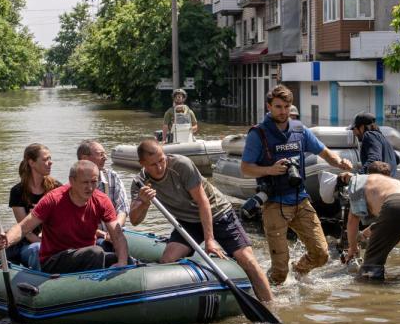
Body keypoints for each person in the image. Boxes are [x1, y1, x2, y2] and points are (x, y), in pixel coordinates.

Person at [129, 138, 274, 303]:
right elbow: (134, 220)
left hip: (218, 212)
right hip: (187, 221)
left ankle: (270, 304)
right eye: (153, 165)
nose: (160, 167)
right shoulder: (140, 183)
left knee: (247, 259)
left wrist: (209, 240)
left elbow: (203, 201)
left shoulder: (181, 165)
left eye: (162, 160)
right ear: (142, 163)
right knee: (167, 260)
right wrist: (143, 203)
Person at [240, 85, 354, 285]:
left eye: (286, 106)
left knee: (321, 254)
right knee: (279, 272)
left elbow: (324, 152)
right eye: (278, 107)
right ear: (268, 106)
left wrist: (339, 162)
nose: (283, 111)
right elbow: (245, 168)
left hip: (301, 200)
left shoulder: (300, 130)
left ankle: (299, 271)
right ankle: (268, 294)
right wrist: (270, 170)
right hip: (274, 202)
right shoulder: (258, 134)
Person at [0, 160, 129, 274]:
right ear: (72, 181)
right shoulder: (53, 199)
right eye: (85, 182)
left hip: (84, 256)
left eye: (94, 182)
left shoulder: (101, 200)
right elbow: (23, 228)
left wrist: (122, 263)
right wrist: (6, 240)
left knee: (124, 259)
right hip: (54, 260)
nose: (90, 187)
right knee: (96, 253)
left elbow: (117, 235)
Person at [331, 161, 400, 281]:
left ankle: (374, 294)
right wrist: (363, 235)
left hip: (396, 206)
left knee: (371, 270)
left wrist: (353, 248)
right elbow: (388, 221)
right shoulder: (391, 183)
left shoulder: (358, 182)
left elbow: (353, 221)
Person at [6, 143, 62, 267]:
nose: (50, 162)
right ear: (32, 162)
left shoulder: (57, 187)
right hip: (30, 244)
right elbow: (26, 231)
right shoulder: (17, 191)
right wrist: (45, 244)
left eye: (50, 159)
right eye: (45, 159)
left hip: (55, 240)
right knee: (37, 249)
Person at [76, 139, 129, 245]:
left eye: (105, 154)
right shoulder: (73, 183)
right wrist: (99, 233)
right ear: (85, 158)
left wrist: (114, 231)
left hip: (115, 231)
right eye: (101, 154)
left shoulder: (112, 177)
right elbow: (74, 219)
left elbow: (123, 208)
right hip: (90, 236)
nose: (105, 157)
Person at [350, 112, 398, 177]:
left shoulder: (369, 135)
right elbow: (397, 159)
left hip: (380, 184)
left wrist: (357, 177)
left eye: (354, 128)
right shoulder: (383, 139)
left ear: (362, 127)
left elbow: (374, 158)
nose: (354, 132)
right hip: (390, 183)